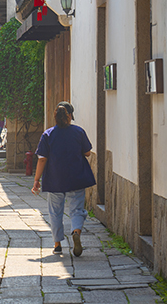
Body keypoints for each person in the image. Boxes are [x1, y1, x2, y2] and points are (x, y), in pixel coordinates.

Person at [31, 103, 95, 257]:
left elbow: (42, 159)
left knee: (55, 212)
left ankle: (57, 244)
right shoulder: (78, 131)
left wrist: (36, 180)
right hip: (76, 177)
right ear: (70, 116)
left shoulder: (48, 134)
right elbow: (87, 152)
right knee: (77, 209)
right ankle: (76, 231)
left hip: (55, 179)